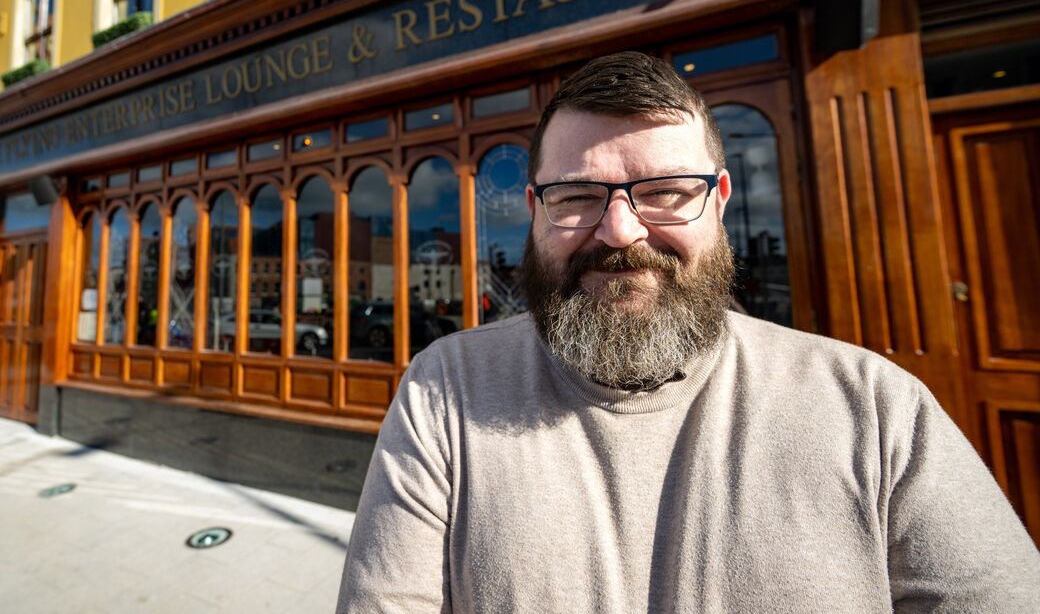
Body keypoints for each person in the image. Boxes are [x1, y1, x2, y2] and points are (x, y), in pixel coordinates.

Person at [336, 52, 1040, 612]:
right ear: (534, 211)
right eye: (577, 196)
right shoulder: (445, 391)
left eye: (666, 192)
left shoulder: (874, 406)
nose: (620, 230)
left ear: (720, 201)